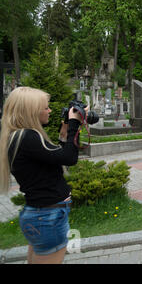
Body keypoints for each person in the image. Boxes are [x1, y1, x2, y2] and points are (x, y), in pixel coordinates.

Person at [0, 86, 83, 264]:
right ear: (31, 111)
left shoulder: (18, 136)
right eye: (46, 107)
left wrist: (64, 134)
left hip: (40, 215)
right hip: (47, 217)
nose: (50, 110)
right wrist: (74, 124)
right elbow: (70, 158)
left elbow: (54, 159)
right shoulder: (28, 137)